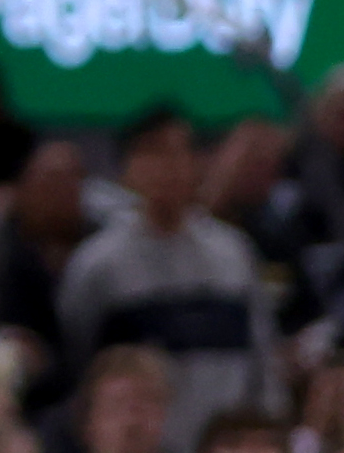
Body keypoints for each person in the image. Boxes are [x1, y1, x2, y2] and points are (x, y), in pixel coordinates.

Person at [60, 105, 276, 448]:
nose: (169, 167)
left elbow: (262, 356)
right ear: (128, 168)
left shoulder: (234, 252)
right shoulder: (98, 265)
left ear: (198, 163)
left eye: (180, 152)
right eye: (154, 154)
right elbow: (78, 365)